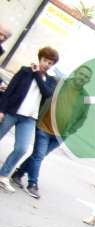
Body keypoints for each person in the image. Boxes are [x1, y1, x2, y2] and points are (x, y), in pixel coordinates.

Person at [10, 64, 92, 199]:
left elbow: (82, 117)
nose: (82, 78)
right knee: (39, 156)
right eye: (81, 74)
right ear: (75, 72)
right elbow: (42, 87)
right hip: (44, 126)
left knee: (38, 156)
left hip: (61, 135)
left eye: (86, 77)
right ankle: (32, 184)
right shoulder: (58, 82)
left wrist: (71, 130)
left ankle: (18, 174)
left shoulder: (86, 97)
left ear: (88, 80)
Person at [0, 47, 58, 192]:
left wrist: (37, 73)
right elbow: (10, 90)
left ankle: (3, 175)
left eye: (50, 63)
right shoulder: (25, 71)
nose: (46, 64)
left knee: (22, 148)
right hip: (12, 112)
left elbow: (46, 93)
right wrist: (1, 110)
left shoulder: (51, 81)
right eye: (45, 60)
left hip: (29, 118)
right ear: (40, 59)